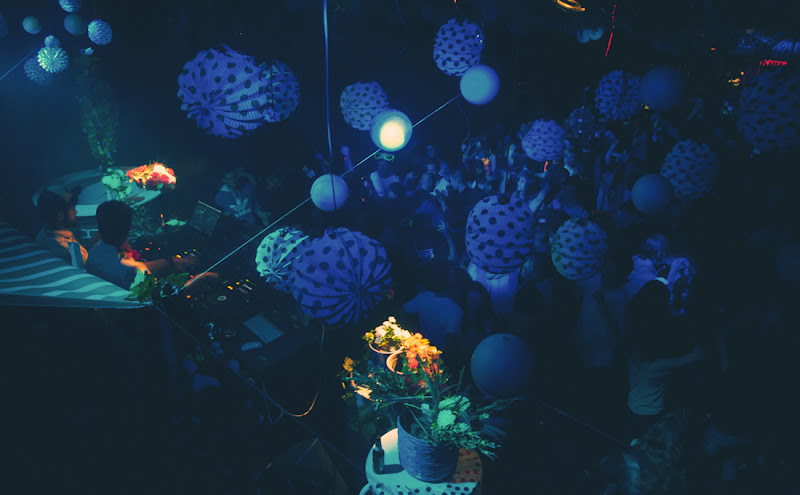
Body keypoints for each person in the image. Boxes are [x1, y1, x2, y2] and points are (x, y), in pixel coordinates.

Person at [87, 201, 195, 289]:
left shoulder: (93, 252)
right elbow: (163, 298)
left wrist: (171, 262)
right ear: (130, 227)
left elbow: (124, 266)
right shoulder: (136, 270)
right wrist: (200, 278)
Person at [34, 186, 89, 269]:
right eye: (73, 209)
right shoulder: (70, 248)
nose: (75, 212)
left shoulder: (43, 234)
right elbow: (86, 265)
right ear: (60, 216)